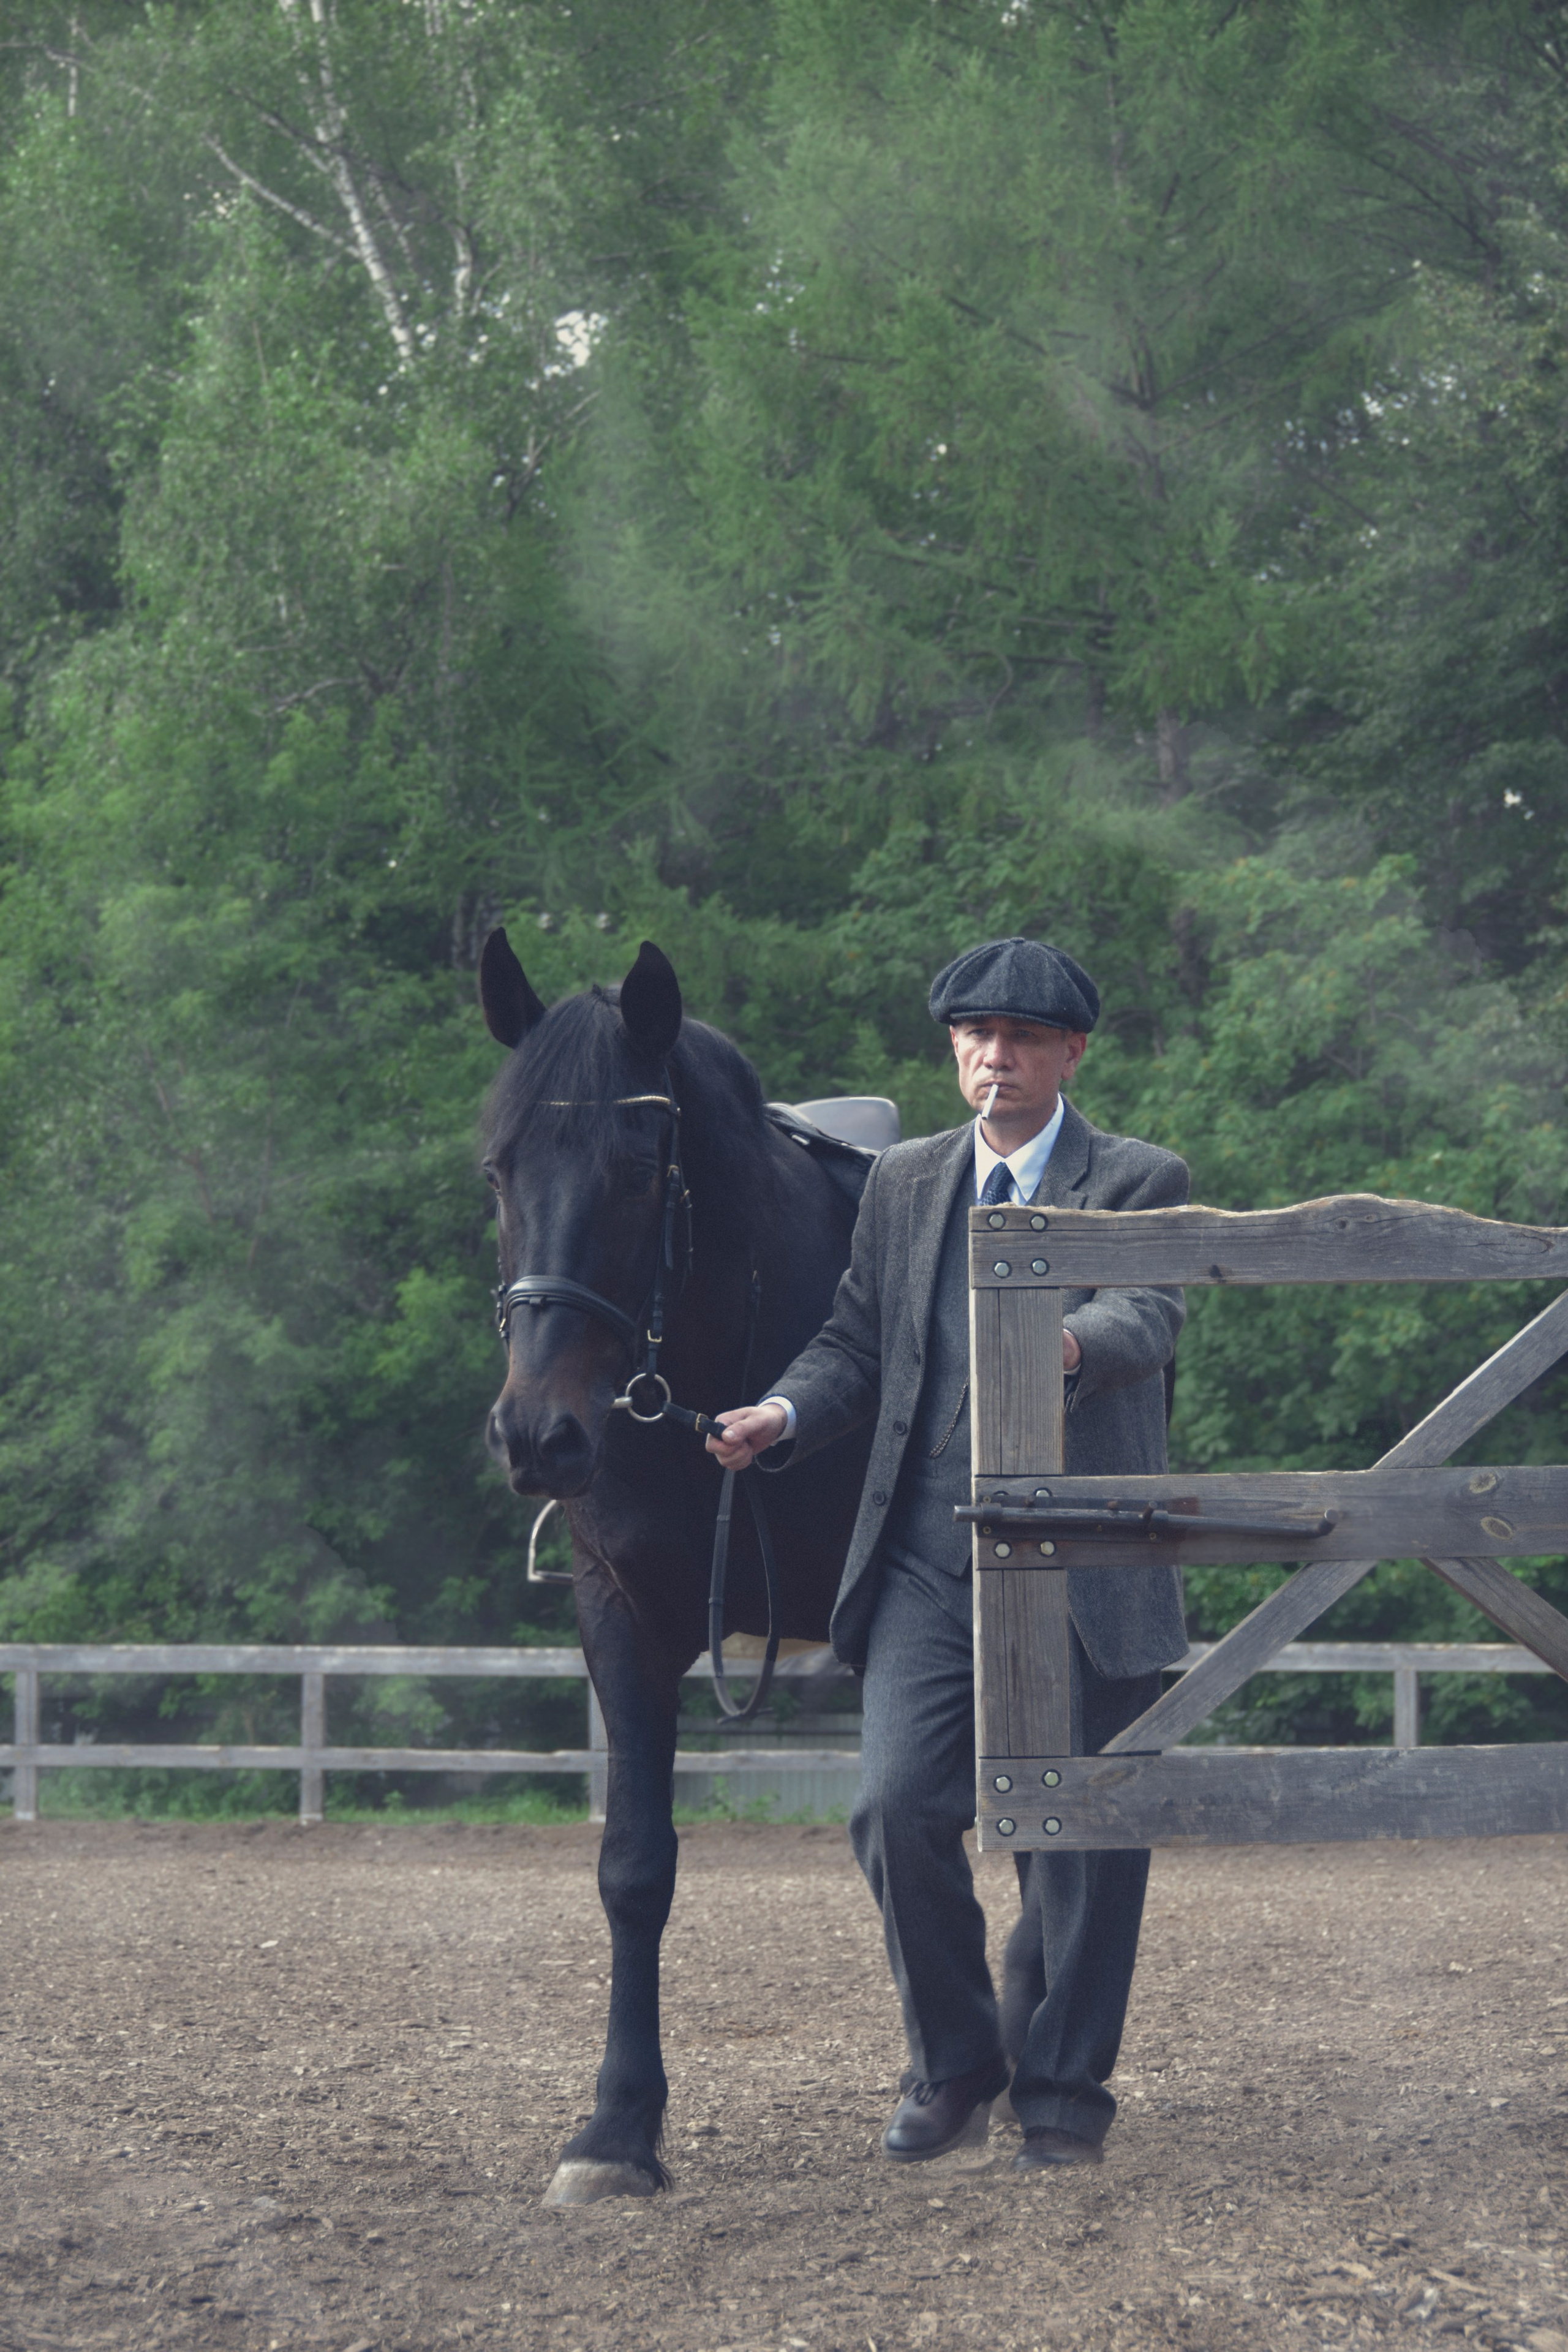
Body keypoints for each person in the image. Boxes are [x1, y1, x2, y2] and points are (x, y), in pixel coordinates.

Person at [707, 937, 1189, 2173]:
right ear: (952, 1050)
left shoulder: (1136, 1176)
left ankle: (1064, 2098)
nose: (995, 1057)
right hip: (926, 1544)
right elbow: (854, 1344)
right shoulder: (908, 1180)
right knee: (892, 1810)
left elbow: (1145, 1313)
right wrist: (782, 1412)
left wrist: (1058, 1343)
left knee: (1076, 1836)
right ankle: (959, 2058)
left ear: (1069, 1052)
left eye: (1023, 1038)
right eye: (975, 1036)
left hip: (1084, 1551)